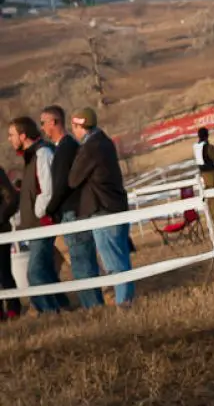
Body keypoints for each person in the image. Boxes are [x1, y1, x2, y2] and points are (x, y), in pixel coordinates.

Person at [68, 108, 134, 308]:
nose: (73, 131)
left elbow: (73, 179)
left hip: (102, 209)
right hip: (116, 205)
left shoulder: (90, 148)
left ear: (80, 126)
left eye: (75, 126)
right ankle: (128, 301)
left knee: (114, 264)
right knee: (121, 258)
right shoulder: (105, 141)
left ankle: (124, 304)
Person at [41, 105, 104, 310]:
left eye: (43, 123)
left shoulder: (66, 148)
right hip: (73, 211)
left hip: (73, 212)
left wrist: (49, 210)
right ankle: (94, 305)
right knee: (82, 261)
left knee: (81, 262)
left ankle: (93, 308)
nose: (42, 128)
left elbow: (62, 185)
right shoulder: (65, 147)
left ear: (54, 122)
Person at [7, 117, 70, 315]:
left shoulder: (42, 153)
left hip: (42, 224)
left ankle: (50, 313)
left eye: (12, 135)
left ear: (23, 136)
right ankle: (63, 306)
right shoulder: (30, 157)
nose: (9, 139)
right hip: (34, 226)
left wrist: (39, 212)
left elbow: (48, 188)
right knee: (46, 272)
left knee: (34, 273)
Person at [0, 167, 22, 320]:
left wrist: (0, 218)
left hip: (0, 230)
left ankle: (13, 309)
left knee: (3, 272)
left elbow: (12, 198)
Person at [193, 127, 214, 222]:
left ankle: (211, 214)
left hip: (203, 173)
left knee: (209, 194)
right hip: (212, 173)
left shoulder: (196, 147)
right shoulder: (208, 147)